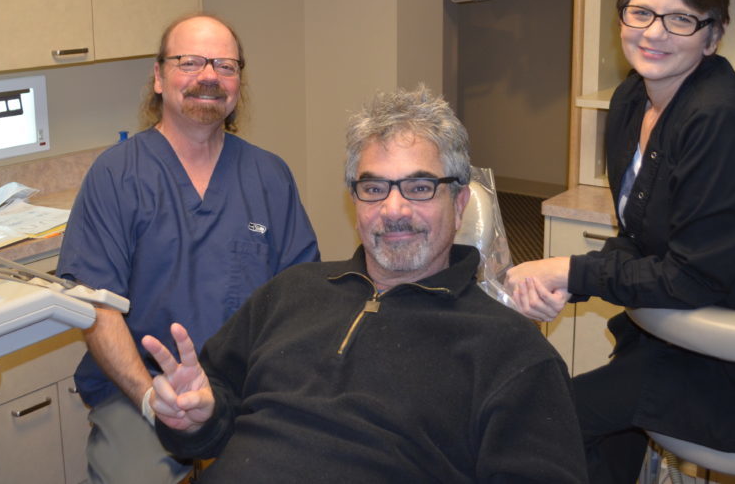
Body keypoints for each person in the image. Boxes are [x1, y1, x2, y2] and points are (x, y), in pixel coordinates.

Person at [140, 85, 588, 483]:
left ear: (459, 202)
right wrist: (193, 419)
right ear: (354, 200)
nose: (393, 210)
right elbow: (206, 429)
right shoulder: (291, 293)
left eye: (419, 188)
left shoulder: (510, 353)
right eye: (374, 189)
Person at [504, 0, 735, 483]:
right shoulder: (633, 100)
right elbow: (642, 238)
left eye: (680, 19)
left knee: (543, 420)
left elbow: (692, 275)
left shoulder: (721, 121)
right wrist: (570, 284)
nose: (654, 33)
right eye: (642, 12)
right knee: (591, 429)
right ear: (623, 16)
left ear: (713, 33)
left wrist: (569, 270)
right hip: (673, 342)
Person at [56, 14, 319, 484]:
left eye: (225, 65)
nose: (209, 77)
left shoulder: (269, 176)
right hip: (141, 384)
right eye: (190, 62)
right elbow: (95, 306)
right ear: (158, 77)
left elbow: (301, 298)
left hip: (247, 387)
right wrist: (149, 397)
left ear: (238, 81)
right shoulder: (116, 176)